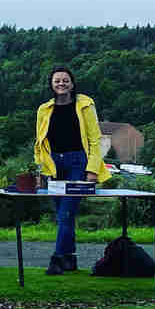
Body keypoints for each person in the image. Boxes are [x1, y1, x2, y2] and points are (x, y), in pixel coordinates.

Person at [34, 66, 111, 274]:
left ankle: (57, 259)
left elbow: (95, 139)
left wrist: (92, 169)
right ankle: (71, 258)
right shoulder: (44, 110)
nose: (61, 84)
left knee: (66, 212)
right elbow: (40, 144)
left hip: (78, 162)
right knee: (62, 214)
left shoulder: (85, 104)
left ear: (72, 83)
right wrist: (41, 170)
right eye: (57, 80)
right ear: (51, 84)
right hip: (54, 165)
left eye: (65, 80)